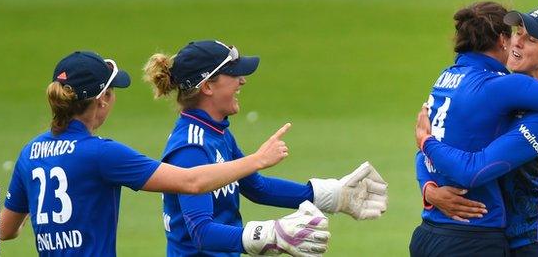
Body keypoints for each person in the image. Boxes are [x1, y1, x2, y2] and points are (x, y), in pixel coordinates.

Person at [0, 51, 295, 256]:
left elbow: (2, 231)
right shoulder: (102, 154)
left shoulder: (30, 153)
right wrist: (257, 160)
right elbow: (191, 182)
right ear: (102, 100)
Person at [143, 40, 389, 256]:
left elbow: (257, 188)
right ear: (207, 86)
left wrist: (332, 195)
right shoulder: (191, 147)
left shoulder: (217, 133)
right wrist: (270, 235)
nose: (243, 80)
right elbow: (201, 233)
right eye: (234, 74)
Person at [408, 2, 538, 257]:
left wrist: (425, 141)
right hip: (505, 242)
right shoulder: (500, 97)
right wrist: (430, 189)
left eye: (530, 39)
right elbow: (445, 138)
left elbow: (472, 168)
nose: (516, 42)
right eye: (517, 32)